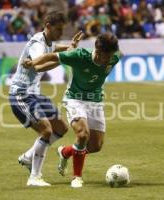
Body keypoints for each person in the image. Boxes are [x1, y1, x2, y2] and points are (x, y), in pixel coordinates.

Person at [23, 32, 122, 188]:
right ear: (97, 49)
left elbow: (118, 53)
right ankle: (77, 177)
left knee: (95, 146)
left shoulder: (115, 57)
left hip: (96, 101)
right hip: (75, 99)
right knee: (83, 135)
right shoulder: (80, 56)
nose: (109, 59)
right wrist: (33, 62)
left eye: (111, 55)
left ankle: (66, 152)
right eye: (106, 56)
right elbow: (52, 57)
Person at [8, 11, 83, 187]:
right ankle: (34, 177)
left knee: (61, 127)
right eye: (58, 30)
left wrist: (69, 47)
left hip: (35, 94)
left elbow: (53, 48)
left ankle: (28, 157)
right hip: (21, 94)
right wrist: (65, 59)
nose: (60, 34)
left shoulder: (47, 41)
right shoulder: (36, 44)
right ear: (48, 27)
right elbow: (40, 64)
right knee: (46, 131)